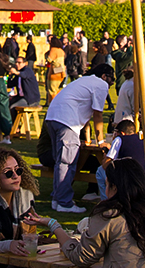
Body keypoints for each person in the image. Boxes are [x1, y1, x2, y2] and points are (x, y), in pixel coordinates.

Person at [43, 67, 111, 214]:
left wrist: (87, 138)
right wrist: (100, 141)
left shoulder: (84, 82)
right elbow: (97, 115)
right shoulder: (101, 84)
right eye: (111, 79)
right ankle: (64, 203)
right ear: (104, 76)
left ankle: (57, 198)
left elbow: (85, 115)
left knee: (60, 162)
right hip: (67, 121)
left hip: (52, 117)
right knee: (67, 163)